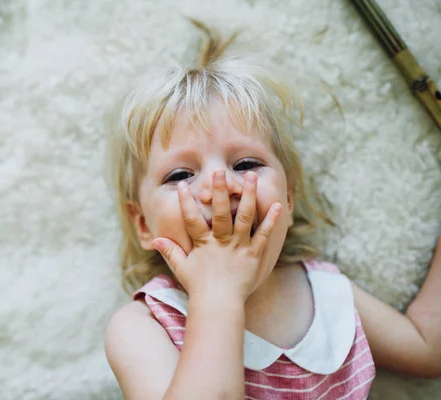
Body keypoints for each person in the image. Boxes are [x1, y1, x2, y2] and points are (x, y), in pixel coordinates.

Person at [103, 19, 441, 399]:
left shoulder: (326, 294)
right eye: (181, 173)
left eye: (246, 165)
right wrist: (218, 295)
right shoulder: (144, 326)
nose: (220, 185)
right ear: (143, 224)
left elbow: (427, 347)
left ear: (290, 197)